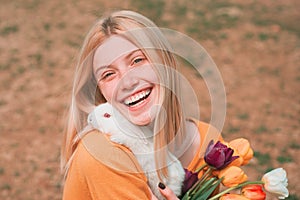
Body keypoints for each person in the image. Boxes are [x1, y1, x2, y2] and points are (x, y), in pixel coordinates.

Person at [61, 10, 221, 200]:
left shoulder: (208, 142)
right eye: (108, 74)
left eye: (137, 60)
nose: (128, 83)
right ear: (101, 93)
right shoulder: (103, 155)